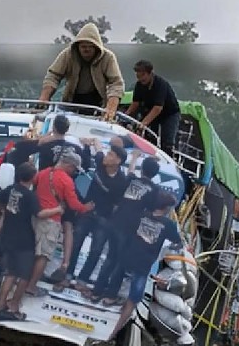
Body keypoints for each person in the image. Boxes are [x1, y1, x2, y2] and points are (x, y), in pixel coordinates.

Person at [0, 163, 61, 319]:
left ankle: (0, 306)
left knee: (10, 273)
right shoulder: (30, 196)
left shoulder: (10, 190)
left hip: (7, 238)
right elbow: (39, 214)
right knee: (24, 275)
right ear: (33, 177)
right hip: (24, 241)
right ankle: (13, 307)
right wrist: (58, 209)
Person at [93, 188, 182, 331]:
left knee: (116, 276)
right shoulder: (168, 224)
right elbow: (177, 242)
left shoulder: (141, 215)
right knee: (134, 298)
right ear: (166, 208)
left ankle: (109, 298)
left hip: (127, 254)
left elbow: (128, 231)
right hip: (144, 263)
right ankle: (116, 329)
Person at [90, 158, 163, 304]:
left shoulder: (131, 179)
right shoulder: (155, 190)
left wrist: (134, 159)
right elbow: (151, 209)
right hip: (130, 228)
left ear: (142, 169)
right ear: (155, 174)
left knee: (110, 258)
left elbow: (121, 190)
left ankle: (96, 292)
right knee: (121, 263)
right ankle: (110, 295)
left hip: (115, 222)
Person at [26, 151, 93, 296]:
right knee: (43, 256)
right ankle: (31, 287)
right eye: (74, 169)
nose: (74, 172)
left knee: (30, 252)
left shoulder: (43, 173)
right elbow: (73, 204)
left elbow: (33, 185)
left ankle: (23, 281)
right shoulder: (66, 181)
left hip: (36, 216)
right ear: (69, 165)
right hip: (52, 221)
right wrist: (85, 208)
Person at [66, 142, 130, 288]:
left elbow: (118, 205)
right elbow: (98, 148)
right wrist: (90, 142)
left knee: (96, 250)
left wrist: (110, 220)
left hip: (104, 218)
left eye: (111, 155)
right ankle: (67, 275)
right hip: (86, 212)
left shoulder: (122, 181)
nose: (106, 156)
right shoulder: (101, 163)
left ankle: (82, 280)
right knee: (75, 243)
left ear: (118, 161)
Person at [39, 22, 124, 121]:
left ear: (97, 47)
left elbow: (116, 83)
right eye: (83, 46)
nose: (86, 50)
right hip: (71, 102)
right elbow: (53, 75)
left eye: (90, 47)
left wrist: (110, 109)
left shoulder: (108, 57)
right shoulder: (68, 55)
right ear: (77, 46)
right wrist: (44, 98)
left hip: (98, 105)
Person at [125, 60, 181, 151]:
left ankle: (169, 153)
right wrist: (126, 115)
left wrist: (144, 123)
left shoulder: (161, 84)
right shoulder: (139, 85)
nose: (140, 78)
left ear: (151, 73)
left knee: (167, 141)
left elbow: (158, 108)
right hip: (151, 111)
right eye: (138, 76)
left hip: (169, 113)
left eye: (143, 75)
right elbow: (135, 103)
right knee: (150, 138)